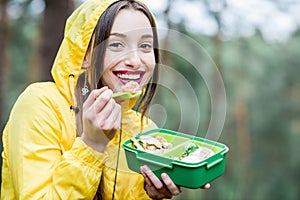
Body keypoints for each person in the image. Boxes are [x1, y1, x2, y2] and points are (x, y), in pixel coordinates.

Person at [1, 0, 210, 199]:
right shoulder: (41, 105)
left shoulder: (145, 131)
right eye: (117, 44)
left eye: (146, 46)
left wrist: (151, 195)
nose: (135, 61)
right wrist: (92, 144)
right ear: (84, 55)